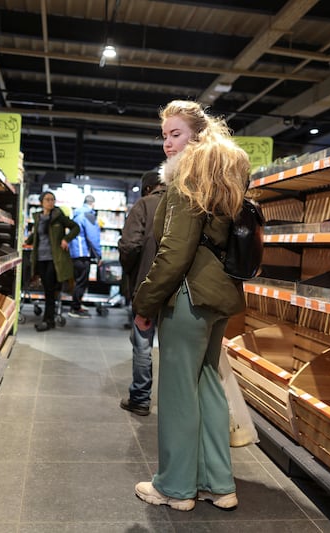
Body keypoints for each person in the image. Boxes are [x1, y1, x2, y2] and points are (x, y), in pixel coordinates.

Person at [132, 100, 250, 512]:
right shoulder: (223, 179)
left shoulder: (187, 181)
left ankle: (175, 488)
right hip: (219, 297)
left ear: (197, 135)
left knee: (179, 392)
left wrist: (145, 302)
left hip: (187, 296)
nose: (167, 143)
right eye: (164, 135)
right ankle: (218, 484)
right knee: (208, 387)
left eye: (175, 133)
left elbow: (175, 252)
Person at [117, 170, 166, 416]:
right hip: (178, 289)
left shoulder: (144, 205)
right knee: (172, 347)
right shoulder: (184, 204)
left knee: (143, 343)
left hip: (146, 286)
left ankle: (140, 398)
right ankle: (173, 402)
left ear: (147, 188)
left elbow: (129, 245)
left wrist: (131, 270)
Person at [25, 191, 79, 332]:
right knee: (48, 290)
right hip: (40, 258)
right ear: (41, 202)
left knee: (50, 290)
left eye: (52, 199)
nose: (51, 202)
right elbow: (37, 234)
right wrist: (26, 242)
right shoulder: (38, 217)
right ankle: (50, 320)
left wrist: (66, 239)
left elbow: (76, 227)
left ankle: (47, 320)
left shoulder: (59, 217)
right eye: (48, 199)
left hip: (54, 260)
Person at [68, 195, 102, 318]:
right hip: (83, 253)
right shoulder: (88, 215)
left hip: (75, 252)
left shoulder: (77, 214)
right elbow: (93, 237)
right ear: (93, 204)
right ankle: (75, 308)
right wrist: (98, 254)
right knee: (81, 281)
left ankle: (77, 305)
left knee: (78, 281)